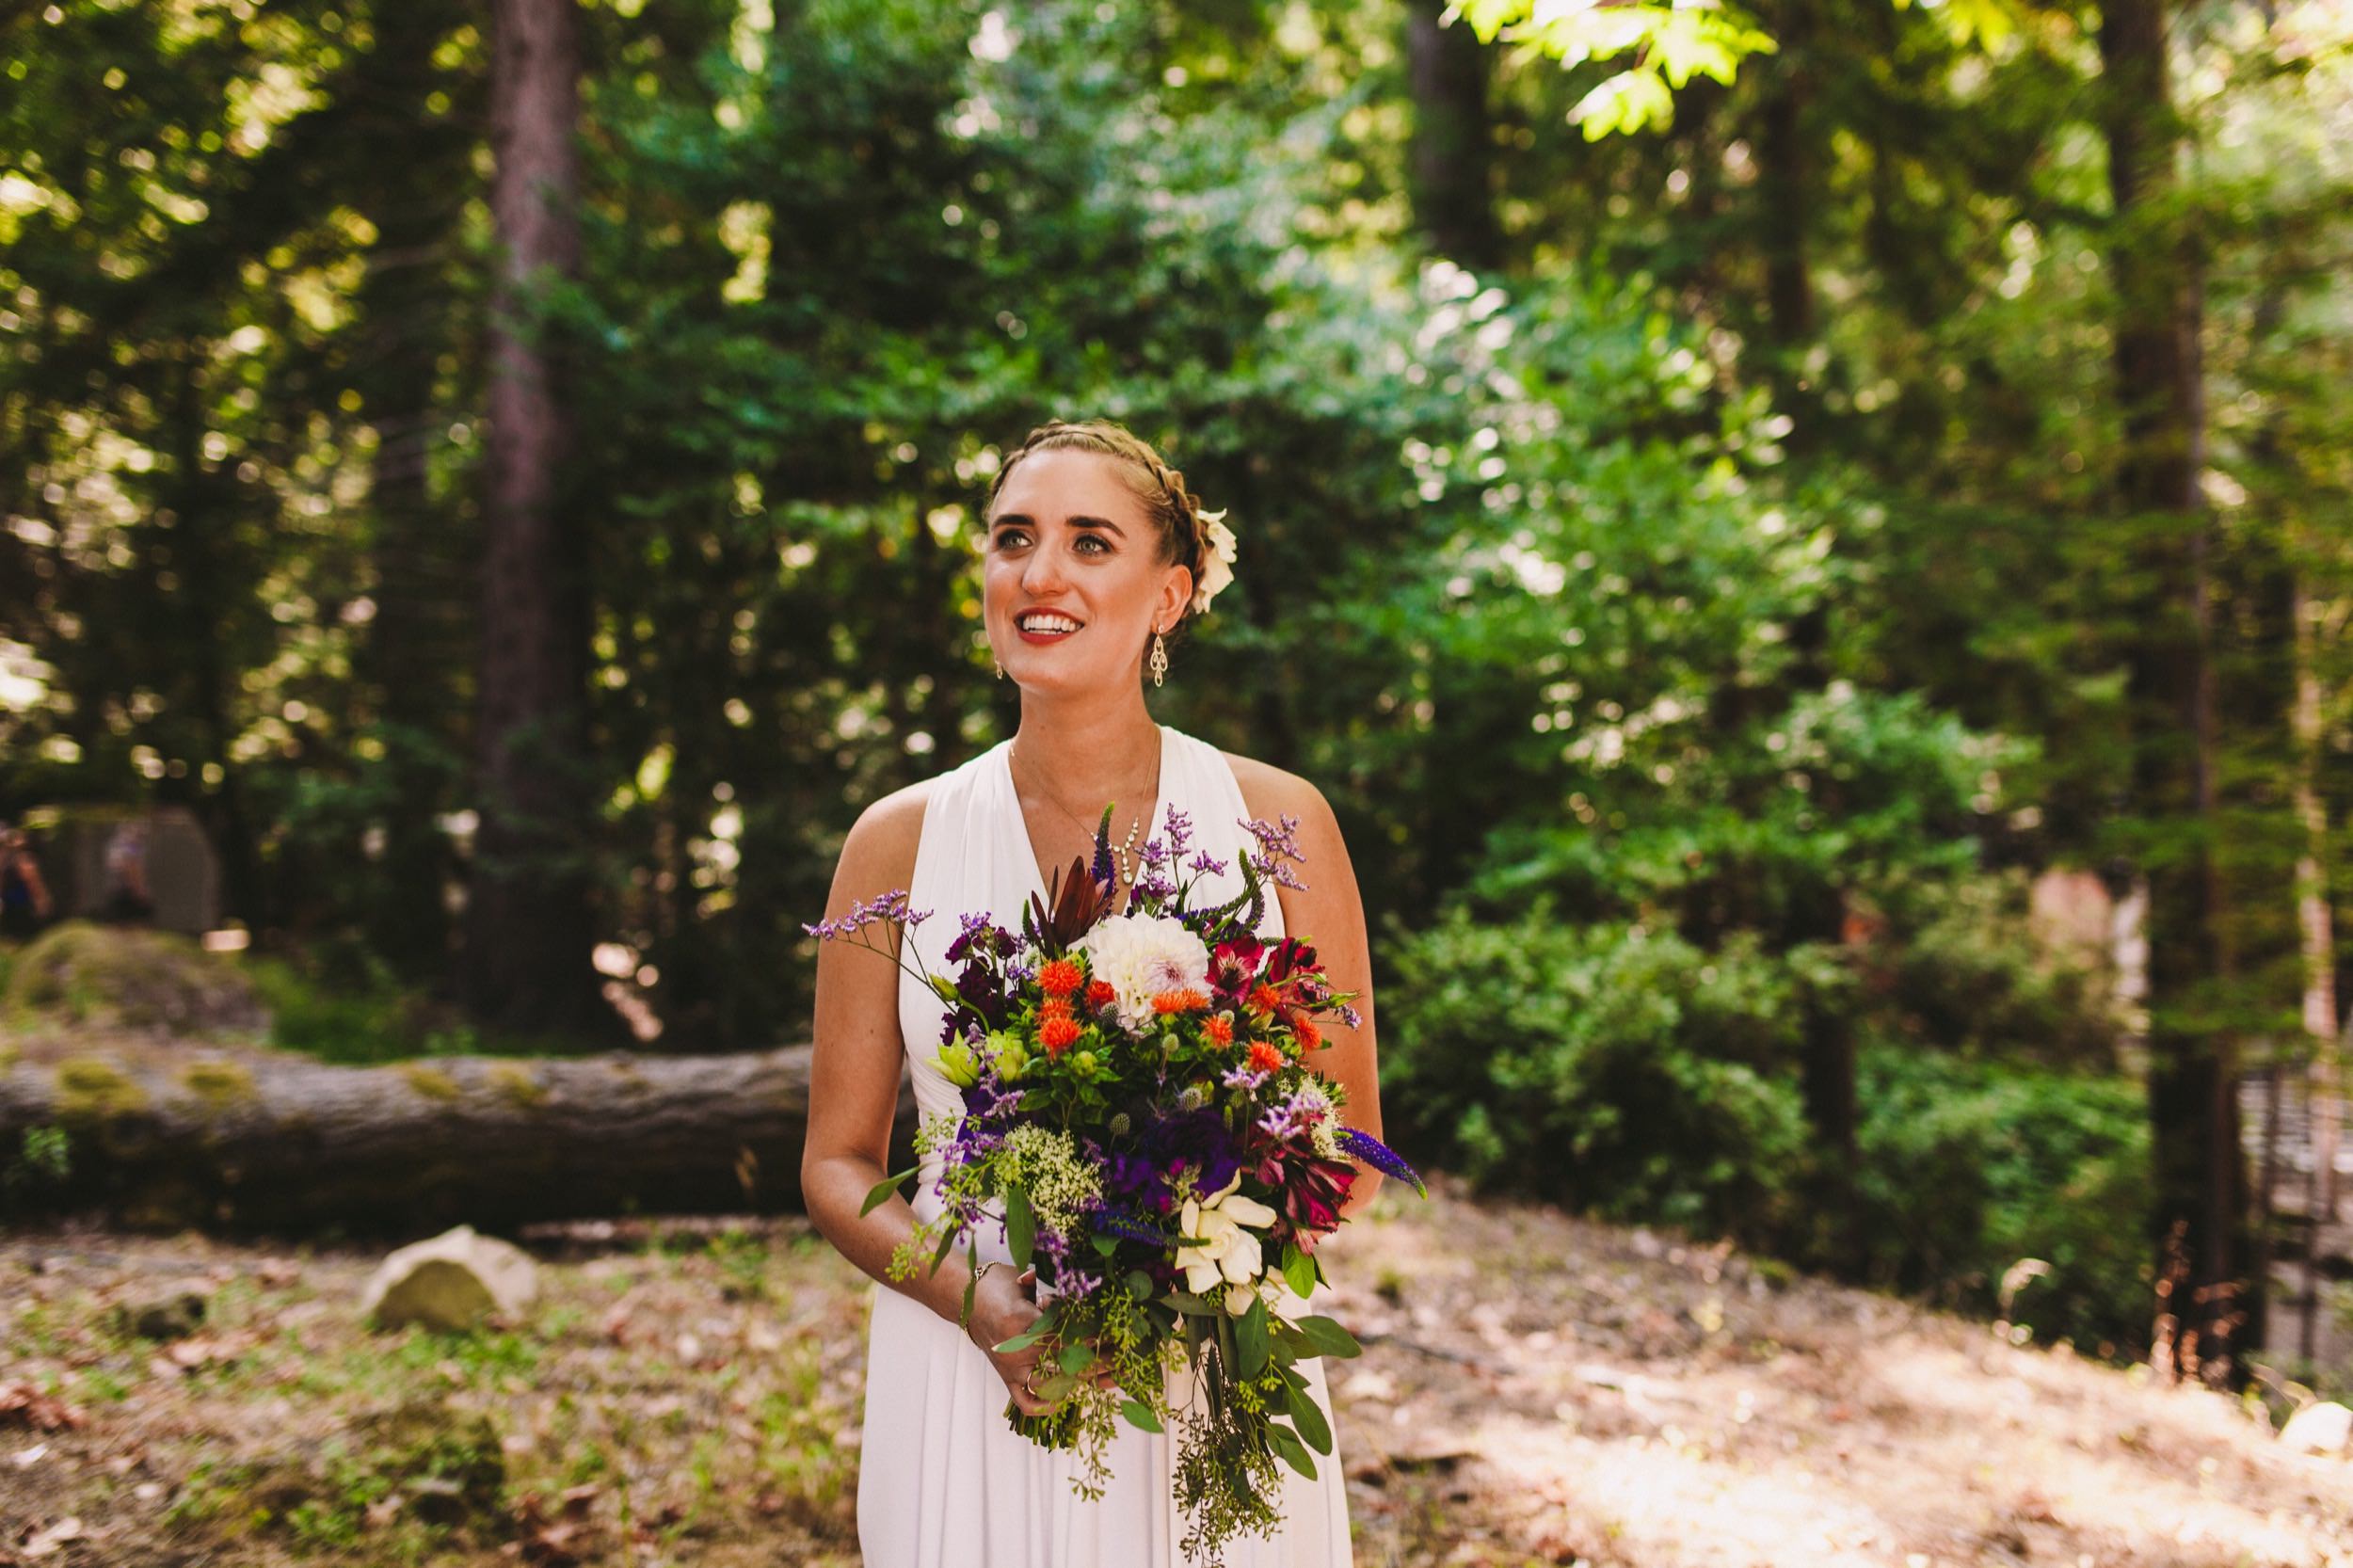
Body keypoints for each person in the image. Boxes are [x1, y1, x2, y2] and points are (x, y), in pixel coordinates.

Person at [803, 420, 1386, 1566]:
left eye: (1089, 542)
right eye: (1013, 537)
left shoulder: (1283, 824)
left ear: (1167, 597)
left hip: (1208, 1364)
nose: (1040, 574)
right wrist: (983, 1304)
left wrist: (1170, 1262)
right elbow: (837, 1163)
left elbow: (1353, 1146)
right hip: (968, 1359)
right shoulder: (894, 843)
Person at [0, 823, 54, 939]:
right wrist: (42, 901)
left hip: (16, 908)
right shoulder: (23, 862)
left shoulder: (13, 862)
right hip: (20, 909)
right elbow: (34, 884)